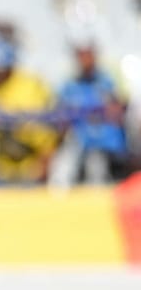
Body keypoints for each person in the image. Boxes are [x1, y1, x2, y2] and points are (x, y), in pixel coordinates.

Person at [0, 36, 58, 185]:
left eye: (3, 70)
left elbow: (47, 133)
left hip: (29, 167)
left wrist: (45, 162)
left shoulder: (30, 86)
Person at [57, 40, 131, 183]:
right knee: (64, 165)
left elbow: (120, 109)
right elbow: (62, 114)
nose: (84, 60)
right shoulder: (70, 85)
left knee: (96, 167)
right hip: (79, 141)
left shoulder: (109, 80)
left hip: (104, 144)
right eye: (80, 55)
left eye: (87, 55)